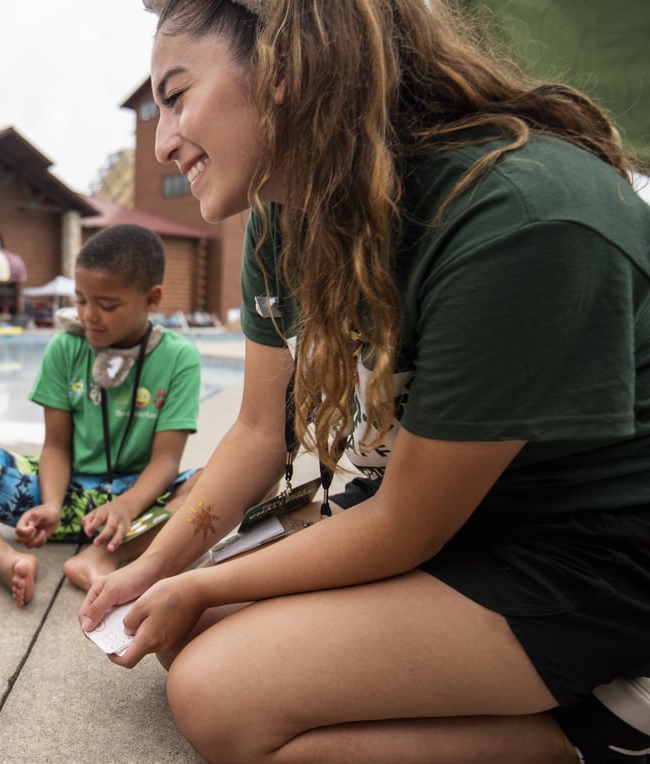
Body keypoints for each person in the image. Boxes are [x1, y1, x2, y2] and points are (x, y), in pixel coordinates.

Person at [80, 1, 650, 761]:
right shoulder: (283, 215)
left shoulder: (516, 216)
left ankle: (591, 737)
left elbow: (410, 524)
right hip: (460, 515)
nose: (163, 143)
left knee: (216, 695)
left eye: (177, 96)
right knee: (183, 634)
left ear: (283, 68)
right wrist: (157, 565)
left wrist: (203, 583)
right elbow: (257, 432)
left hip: (586, 548)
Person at [0, 224, 202, 607]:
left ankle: (106, 556)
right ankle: (2, 558)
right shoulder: (65, 348)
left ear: (151, 300)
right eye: (81, 299)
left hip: (135, 505)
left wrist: (126, 506)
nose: (89, 316)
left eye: (108, 305)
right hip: (64, 491)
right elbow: (56, 446)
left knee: (220, 481)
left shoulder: (179, 358)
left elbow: (166, 460)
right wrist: (50, 502)